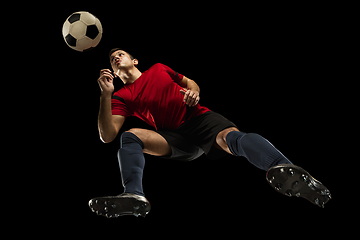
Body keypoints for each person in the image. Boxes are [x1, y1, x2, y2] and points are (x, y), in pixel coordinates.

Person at [88, 48, 331, 218]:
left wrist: (193, 92)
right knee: (129, 136)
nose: (116, 58)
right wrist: (105, 94)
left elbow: (189, 81)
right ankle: (133, 195)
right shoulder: (120, 96)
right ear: (113, 71)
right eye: (112, 59)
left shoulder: (159, 69)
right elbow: (107, 135)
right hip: (173, 136)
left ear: (135, 60)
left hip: (198, 119)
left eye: (120, 54)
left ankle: (289, 169)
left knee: (230, 138)